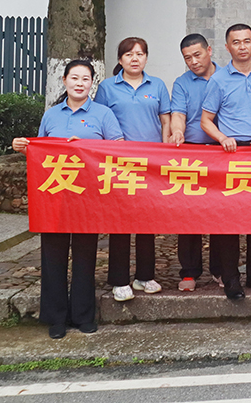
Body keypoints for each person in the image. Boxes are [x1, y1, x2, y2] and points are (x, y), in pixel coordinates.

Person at [13, 60, 122, 339]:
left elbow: (119, 150)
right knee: (53, 256)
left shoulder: (103, 114)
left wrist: (85, 147)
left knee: (85, 255)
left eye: (85, 79)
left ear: (92, 84)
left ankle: (83, 315)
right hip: (54, 196)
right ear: (64, 80)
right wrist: (24, 148)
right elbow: (40, 152)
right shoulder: (51, 115)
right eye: (74, 78)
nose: (79, 83)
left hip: (88, 197)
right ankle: (56, 317)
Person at [200, 23, 251, 300]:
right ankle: (231, 278)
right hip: (232, 155)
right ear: (227, 47)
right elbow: (206, 120)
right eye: (236, 42)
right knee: (229, 220)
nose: (242, 46)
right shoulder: (219, 80)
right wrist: (222, 138)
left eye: (247, 41)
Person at [93, 37, 171, 302]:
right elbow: (100, 120)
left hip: (151, 163)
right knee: (120, 222)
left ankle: (145, 276)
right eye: (129, 54)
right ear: (120, 59)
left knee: (148, 221)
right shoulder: (107, 87)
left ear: (146, 58)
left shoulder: (157, 85)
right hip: (120, 163)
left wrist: (165, 153)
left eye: (139, 54)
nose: (134, 58)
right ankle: (119, 279)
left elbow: (165, 120)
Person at [169, 33, 220, 292]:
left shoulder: (226, 77)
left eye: (197, 55)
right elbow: (178, 113)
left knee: (220, 213)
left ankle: (221, 269)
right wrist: (177, 131)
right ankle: (189, 271)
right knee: (188, 214)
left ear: (209, 51)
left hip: (222, 153)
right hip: (191, 152)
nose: (193, 62)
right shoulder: (182, 83)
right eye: (187, 58)